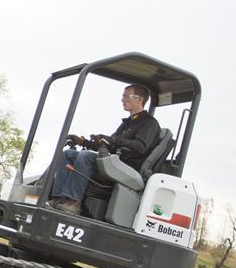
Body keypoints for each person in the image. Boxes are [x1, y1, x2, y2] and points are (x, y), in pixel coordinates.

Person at [49, 84, 160, 215]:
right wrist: (85, 142)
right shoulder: (128, 123)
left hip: (126, 167)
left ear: (139, 99)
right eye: (122, 96)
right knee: (67, 154)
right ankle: (58, 198)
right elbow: (109, 145)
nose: (122, 100)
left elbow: (140, 147)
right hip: (113, 162)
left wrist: (114, 141)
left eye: (126, 96)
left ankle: (74, 202)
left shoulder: (149, 123)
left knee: (85, 156)